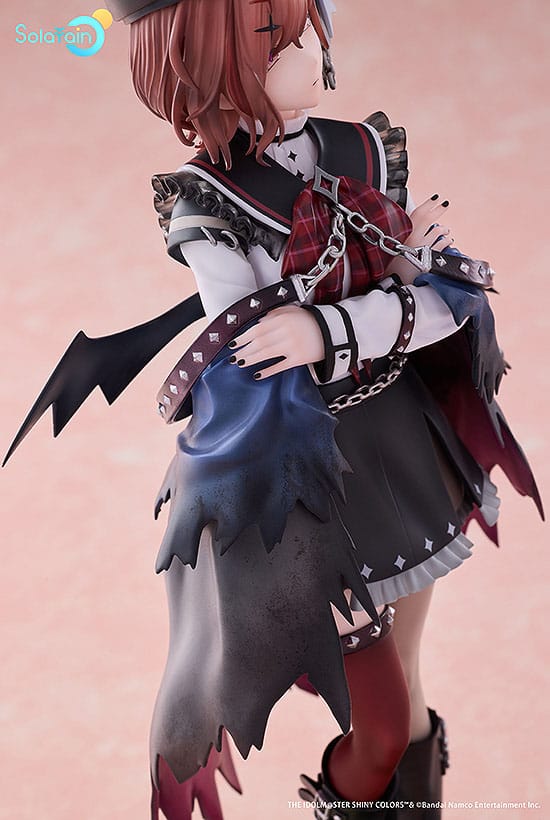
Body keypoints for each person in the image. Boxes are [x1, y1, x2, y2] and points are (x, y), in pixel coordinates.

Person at [5, 1, 542, 819]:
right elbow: (254, 354)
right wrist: (390, 295)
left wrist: (338, 322)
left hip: (400, 446)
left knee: (409, 696)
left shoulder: (361, 148)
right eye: (275, 41)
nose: (310, 53)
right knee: (382, 726)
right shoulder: (208, 206)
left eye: (307, 30)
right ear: (205, 66)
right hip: (303, 483)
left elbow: (445, 304)